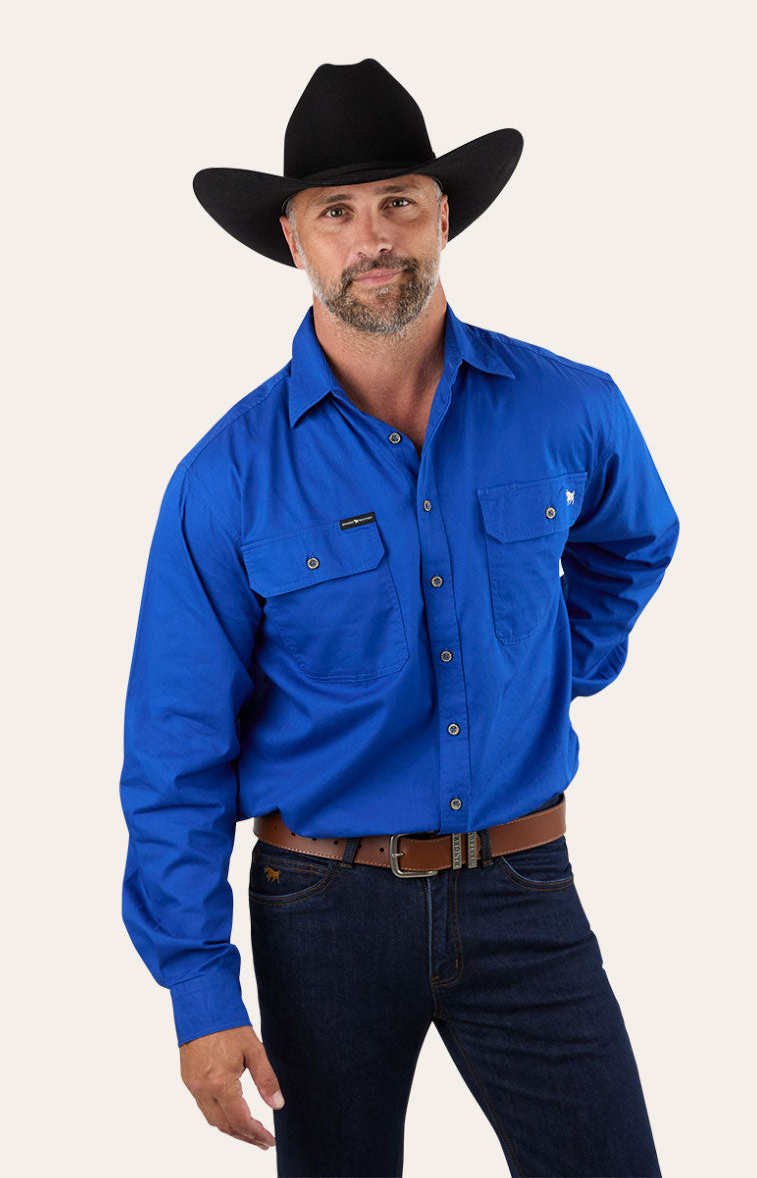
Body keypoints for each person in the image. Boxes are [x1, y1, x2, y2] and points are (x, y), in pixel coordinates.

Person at [119, 57, 679, 1177]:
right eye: (336, 211)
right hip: (319, 908)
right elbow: (175, 746)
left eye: (398, 203)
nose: (373, 238)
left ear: (443, 218)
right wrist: (198, 990)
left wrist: (550, 666)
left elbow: (634, 542)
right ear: (293, 239)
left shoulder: (570, 406)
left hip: (525, 887)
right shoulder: (225, 476)